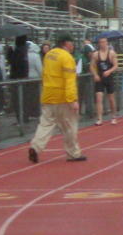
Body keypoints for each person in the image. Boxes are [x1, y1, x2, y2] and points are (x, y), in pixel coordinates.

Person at [27, 33, 86, 163]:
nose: (73, 46)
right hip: (63, 98)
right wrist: (73, 100)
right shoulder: (67, 58)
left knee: (45, 124)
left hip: (48, 95)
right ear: (66, 43)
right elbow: (69, 81)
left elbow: (44, 74)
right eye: (72, 43)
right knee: (69, 126)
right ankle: (73, 153)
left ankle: (35, 147)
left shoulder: (49, 55)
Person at [90, 37, 118, 125]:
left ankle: (113, 116)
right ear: (99, 44)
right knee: (99, 98)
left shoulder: (111, 53)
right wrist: (95, 75)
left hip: (109, 78)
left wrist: (109, 71)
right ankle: (99, 118)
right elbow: (91, 66)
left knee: (111, 98)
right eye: (100, 42)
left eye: (104, 42)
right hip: (100, 78)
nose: (102, 44)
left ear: (107, 43)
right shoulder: (96, 54)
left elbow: (115, 65)